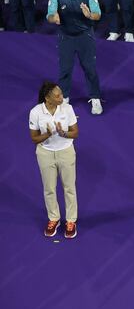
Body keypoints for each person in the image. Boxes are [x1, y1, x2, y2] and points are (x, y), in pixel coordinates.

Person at [46, 0, 103, 115]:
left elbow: (97, 14)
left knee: (90, 68)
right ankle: (64, 98)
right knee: (65, 69)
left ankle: (95, 97)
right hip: (66, 37)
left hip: (85, 36)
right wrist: (54, 18)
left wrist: (89, 15)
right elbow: (50, 15)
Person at [29, 81, 80, 239]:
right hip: (45, 154)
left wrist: (63, 133)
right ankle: (54, 218)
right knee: (49, 188)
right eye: (57, 96)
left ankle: (71, 220)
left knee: (69, 188)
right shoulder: (35, 112)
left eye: (61, 94)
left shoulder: (67, 108)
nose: (61, 97)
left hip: (66, 152)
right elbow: (34, 138)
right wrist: (47, 135)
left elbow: (75, 133)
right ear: (47, 98)